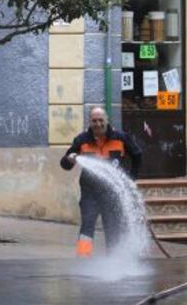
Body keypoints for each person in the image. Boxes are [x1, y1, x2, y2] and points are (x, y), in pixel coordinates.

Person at [60, 105, 142, 257]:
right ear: (89, 122)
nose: (98, 124)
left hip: (112, 193)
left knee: (112, 227)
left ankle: (113, 259)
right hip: (90, 193)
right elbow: (65, 164)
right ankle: (83, 258)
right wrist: (69, 160)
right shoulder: (81, 140)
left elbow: (137, 155)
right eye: (94, 121)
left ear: (107, 120)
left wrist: (131, 179)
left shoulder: (121, 138)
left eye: (100, 120)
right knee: (87, 226)